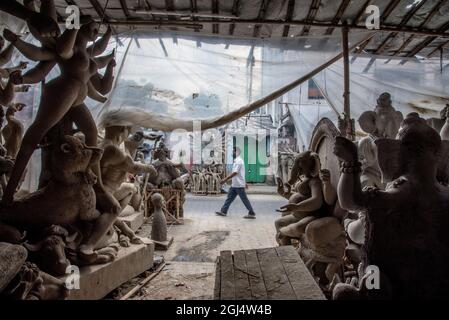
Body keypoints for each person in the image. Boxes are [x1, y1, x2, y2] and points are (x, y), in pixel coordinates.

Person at [215, 147, 256, 219]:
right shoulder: (237, 160)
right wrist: (245, 182)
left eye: (233, 152)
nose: (232, 153)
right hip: (235, 184)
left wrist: (225, 179)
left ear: (236, 152)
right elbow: (241, 172)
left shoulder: (238, 161)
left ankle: (251, 213)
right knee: (229, 198)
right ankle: (224, 211)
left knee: (244, 199)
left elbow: (235, 172)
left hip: (239, 185)